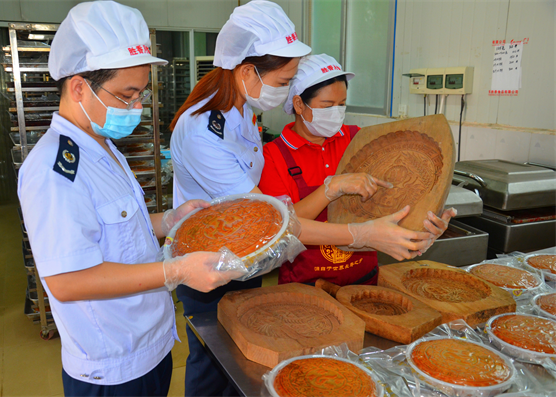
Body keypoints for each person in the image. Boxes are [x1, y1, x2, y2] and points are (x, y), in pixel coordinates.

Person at [169, 3, 440, 397]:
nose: (286, 89)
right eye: (285, 80)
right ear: (248, 73)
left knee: (240, 366)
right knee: (215, 367)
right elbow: (271, 220)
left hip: (245, 261)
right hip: (208, 267)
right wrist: (360, 232)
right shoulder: (203, 132)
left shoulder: (241, 111)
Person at [17, 2, 242, 396]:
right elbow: (68, 280)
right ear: (79, 87)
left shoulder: (102, 146)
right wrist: (177, 271)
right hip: (113, 366)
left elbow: (117, 229)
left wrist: (170, 220)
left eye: (141, 93)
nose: (137, 107)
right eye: (126, 95)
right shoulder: (54, 170)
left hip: (149, 344)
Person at [259, 54, 456, 286]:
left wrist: (424, 227)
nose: (337, 112)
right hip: (304, 286)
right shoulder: (274, 155)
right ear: (299, 104)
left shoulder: (359, 140)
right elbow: (281, 226)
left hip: (363, 280)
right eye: (328, 105)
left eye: (342, 104)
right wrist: (331, 188)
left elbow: (391, 198)